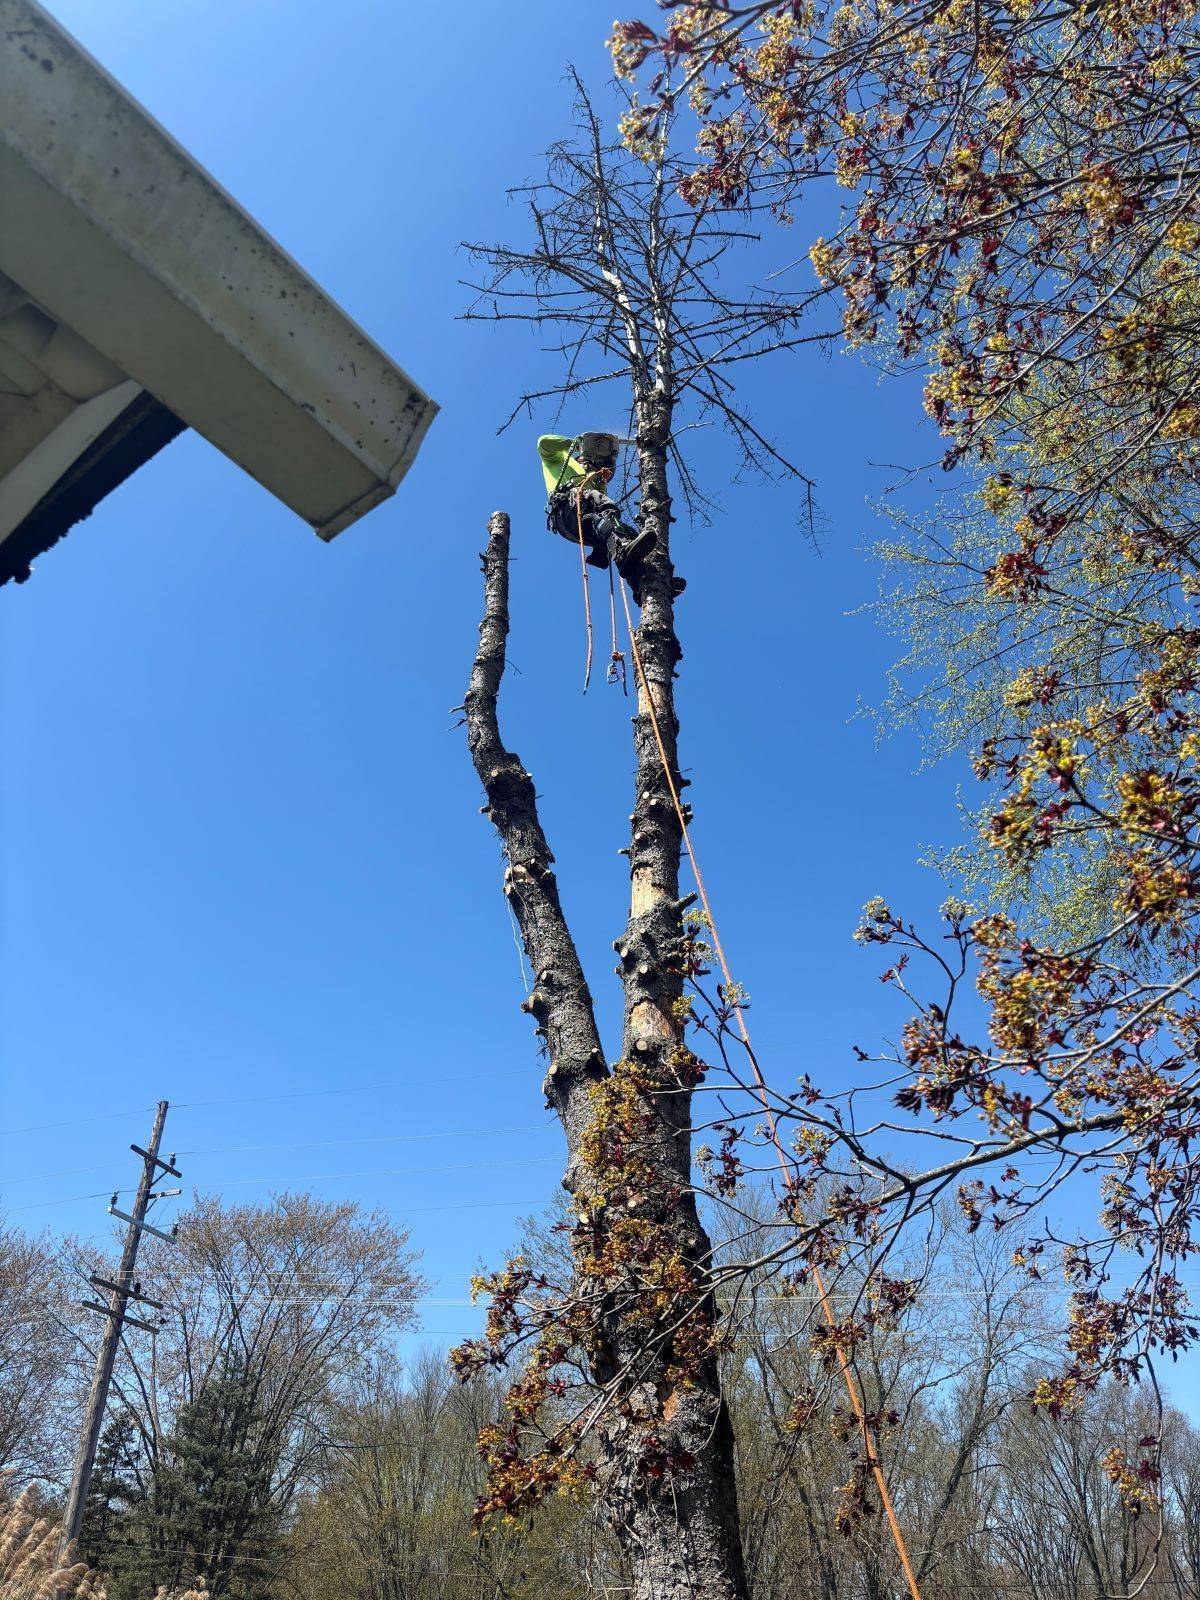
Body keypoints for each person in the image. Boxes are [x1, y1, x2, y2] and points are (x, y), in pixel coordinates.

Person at [539, 431, 656, 595]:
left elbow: (603, 506)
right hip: (567, 507)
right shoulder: (558, 459)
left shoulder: (594, 484)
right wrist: (580, 443)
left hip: (583, 524)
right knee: (602, 504)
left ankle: (643, 584)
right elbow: (543, 443)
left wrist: (601, 480)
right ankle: (620, 550)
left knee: (626, 531)